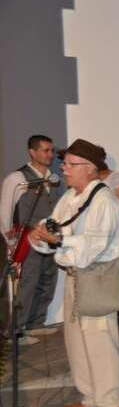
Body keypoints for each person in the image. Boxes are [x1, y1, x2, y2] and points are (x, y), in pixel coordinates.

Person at [29, 138, 119, 407]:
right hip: (75, 276)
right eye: (65, 163)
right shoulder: (71, 197)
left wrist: (58, 240)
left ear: (89, 168)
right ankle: (91, 396)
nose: (64, 168)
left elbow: (92, 247)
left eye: (70, 164)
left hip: (97, 276)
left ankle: (110, 403)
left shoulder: (105, 201)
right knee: (76, 340)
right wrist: (40, 236)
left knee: (99, 340)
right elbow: (54, 226)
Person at [0, 135, 63, 344]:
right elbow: (5, 211)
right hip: (26, 239)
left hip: (49, 239)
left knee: (47, 280)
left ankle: (35, 323)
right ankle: (15, 332)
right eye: (46, 150)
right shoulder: (17, 178)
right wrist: (11, 241)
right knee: (27, 283)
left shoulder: (54, 178)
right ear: (32, 152)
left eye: (52, 151)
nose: (50, 155)